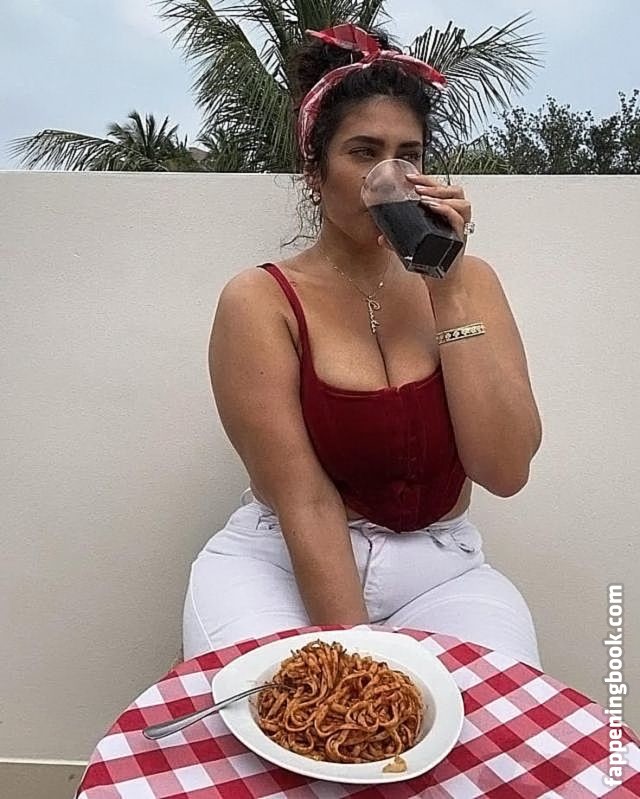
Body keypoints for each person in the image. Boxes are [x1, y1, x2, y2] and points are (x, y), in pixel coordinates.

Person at [182, 23, 543, 668]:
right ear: (314, 171)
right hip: (283, 559)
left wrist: (449, 287)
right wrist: (357, 663)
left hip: (440, 565)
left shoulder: (471, 283)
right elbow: (306, 501)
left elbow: (505, 470)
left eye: (410, 154)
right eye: (363, 152)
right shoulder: (261, 301)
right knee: (301, 713)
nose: (390, 175)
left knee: (495, 715)